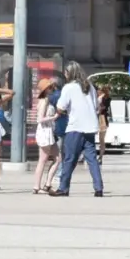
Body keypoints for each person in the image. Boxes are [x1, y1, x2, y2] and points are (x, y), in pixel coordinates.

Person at [53, 63, 105, 197]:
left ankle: (63, 188)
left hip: (75, 127)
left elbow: (60, 107)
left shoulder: (69, 87)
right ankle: (98, 188)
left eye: (66, 72)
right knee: (92, 159)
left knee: (69, 158)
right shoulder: (90, 87)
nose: (64, 74)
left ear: (70, 73)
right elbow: (95, 106)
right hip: (90, 127)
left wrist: (63, 111)